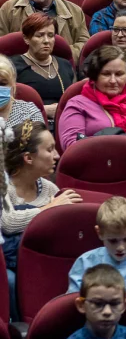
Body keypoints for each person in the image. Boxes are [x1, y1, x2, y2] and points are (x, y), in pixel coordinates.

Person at [2, 121, 80, 282]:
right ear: (28, 158)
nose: (57, 155)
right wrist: (49, 208)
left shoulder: (49, 188)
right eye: (49, 150)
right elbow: (7, 222)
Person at [58, 47, 126, 150]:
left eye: (119, 74)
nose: (113, 80)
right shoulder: (77, 104)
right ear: (95, 75)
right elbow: (72, 146)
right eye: (106, 74)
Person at [67, 195, 126, 304]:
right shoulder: (85, 262)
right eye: (113, 241)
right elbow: (74, 301)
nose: (120, 248)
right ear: (99, 233)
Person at [2, 0, 89, 64]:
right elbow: (2, 45)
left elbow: (84, 46)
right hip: (20, 71)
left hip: (63, 71)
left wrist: (55, 58)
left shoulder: (75, 11)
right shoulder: (8, 8)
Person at [13, 14, 76, 119]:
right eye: (39, 35)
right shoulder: (12, 66)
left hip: (64, 123)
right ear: (26, 39)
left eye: (51, 35)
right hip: (27, 126)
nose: (46, 40)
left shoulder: (65, 65)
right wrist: (43, 110)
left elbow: (77, 100)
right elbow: (5, 105)